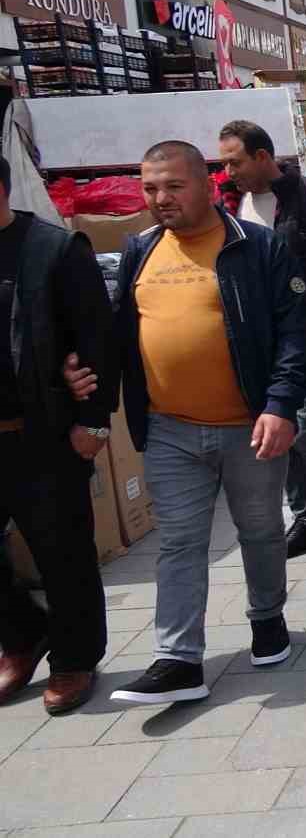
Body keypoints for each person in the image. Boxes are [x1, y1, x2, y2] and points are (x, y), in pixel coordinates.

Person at [106, 141, 306, 704]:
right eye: (150, 188)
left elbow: (295, 332)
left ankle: (267, 618)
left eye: (173, 186)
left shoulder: (257, 246)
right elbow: (120, 332)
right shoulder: (140, 249)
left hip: (249, 425)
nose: (160, 198)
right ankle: (178, 659)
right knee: (179, 541)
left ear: (206, 184)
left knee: (261, 530)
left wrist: (280, 405)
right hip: (169, 428)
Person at [0, 157, 118, 715]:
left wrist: (93, 420)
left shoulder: (54, 251)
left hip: (41, 436)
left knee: (62, 554)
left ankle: (74, 658)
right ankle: (23, 636)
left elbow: (96, 340)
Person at [218, 120, 306, 559]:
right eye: (224, 163)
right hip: (256, 340)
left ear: (262, 156)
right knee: (276, 430)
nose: (228, 172)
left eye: (235, 162)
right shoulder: (230, 207)